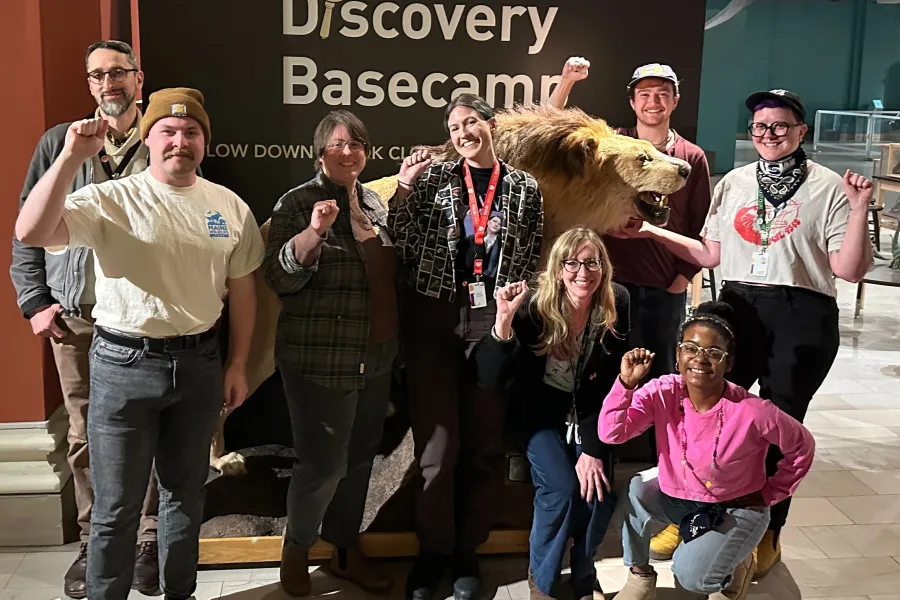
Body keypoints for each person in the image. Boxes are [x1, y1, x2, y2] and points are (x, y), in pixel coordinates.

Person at [14, 88, 264, 600]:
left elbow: (243, 290)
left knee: (183, 498)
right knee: (116, 507)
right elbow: (31, 229)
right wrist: (69, 157)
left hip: (199, 365)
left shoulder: (228, 207)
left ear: (204, 142)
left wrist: (238, 363)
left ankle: (180, 593)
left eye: (191, 131)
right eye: (167, 132)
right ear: (148, 139)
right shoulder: (113, 199)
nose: (180, 141)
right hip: (123, 366)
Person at [614, 90, 873, 576]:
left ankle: (768, 527)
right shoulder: (734, 182)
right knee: (706, 412)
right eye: (760, 127)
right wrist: (650, 233)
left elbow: (849, 269)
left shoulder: (829, 186)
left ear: (801, 132)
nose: (769, 135)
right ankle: (692, 510)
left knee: (778, 426)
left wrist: (859, 209)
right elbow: (710, 253)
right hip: (738, 306)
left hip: (802, 312)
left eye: (780, 126)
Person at [9, 40, 159, 599]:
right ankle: (95, 541)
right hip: (76, 320)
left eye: (118, 72)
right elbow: (27, 222)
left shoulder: (165, 137)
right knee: (84, 437)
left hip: (146, 319)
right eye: (97, 75)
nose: (108, 84)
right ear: (89, 84)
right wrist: (34, 301)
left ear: (139, 80)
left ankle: (145, 540)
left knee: (146, 430)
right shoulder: (60, 144)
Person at [550, 56, 713, 560]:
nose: (653, 101)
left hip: (662, 293)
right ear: (632, 100)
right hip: (608, 290)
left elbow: (704, 226)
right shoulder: (614, 143)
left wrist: (681, 282)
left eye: (663, 93)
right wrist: (567, 83)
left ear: (675, 101)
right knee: (606, 382)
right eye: (645, 92)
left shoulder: (692, 156)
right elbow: (552, 138)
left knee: (666, 390)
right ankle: (600, 471)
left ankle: (672, 494)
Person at [387, 93, 544, 600]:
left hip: (493, 319)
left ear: (491, 125)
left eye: (470, 122)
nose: (462, 133)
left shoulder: (524, 188)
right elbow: (404, 246)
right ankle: (432, 553)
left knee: (482, 444)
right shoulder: (433, 178)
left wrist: (514, 307)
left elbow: (534, 251)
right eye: (454, 126)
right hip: (435, 316)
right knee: (437, 449)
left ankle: (465, 555)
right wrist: (404, 190)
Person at [263, 110, 398, 596]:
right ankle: (296, 549)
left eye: (357, 144)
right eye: (338, 144)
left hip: (377, 357)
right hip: (320, 360)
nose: (349, 152)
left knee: (361, 460)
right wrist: (315, 233)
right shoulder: (298, 202)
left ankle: (344, 549)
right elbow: (280, 276)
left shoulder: (374, 204)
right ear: (319, 151)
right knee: (323, 465)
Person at [599, 302, 815, 600]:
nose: (700, 359)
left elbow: (802, 446)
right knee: (637, 488)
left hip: (736, 507)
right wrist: (626, 384)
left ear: (729, 363)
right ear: (677, 355)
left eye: (714, 353)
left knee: (692, 577)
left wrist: (772, 493)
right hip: (680, 499)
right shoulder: (662, 392)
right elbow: (611, 432)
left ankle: (736, 563)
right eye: (691, 348)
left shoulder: (752, 411)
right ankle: (639, 576)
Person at [471, 228, 630, 600]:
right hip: (538, 412)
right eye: (572, 263)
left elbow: (607, 384)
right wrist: (503, 321)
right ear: (558, 269)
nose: (583, 272)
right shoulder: (533, 306)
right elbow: (487, 376)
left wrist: (592, 449)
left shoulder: (617, 301)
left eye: (592, 262)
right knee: (559, 487)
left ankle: (583, 575)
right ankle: (542, 581)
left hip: (590, 411)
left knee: (599, 490)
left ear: (604, 268)